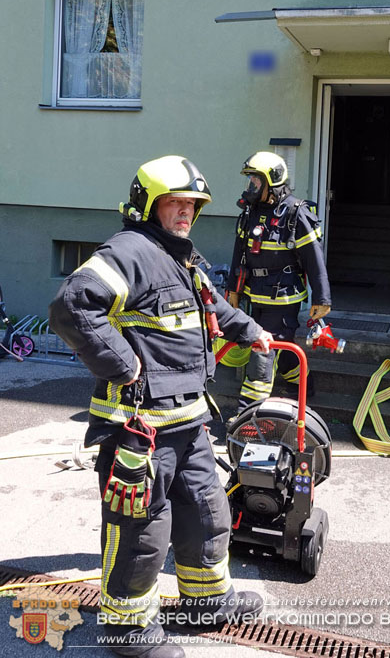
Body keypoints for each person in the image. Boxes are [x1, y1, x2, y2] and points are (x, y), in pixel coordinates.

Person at [49, 155, 272, 658]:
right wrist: (123, 364)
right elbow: (71, 305)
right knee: (143, 533)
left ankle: (207, 603)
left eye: (192, 204)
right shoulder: (130, 251)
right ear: (149, 204)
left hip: (190, 422)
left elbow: (212, 305)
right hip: (139, 430)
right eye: (175, 202)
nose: (186, 211)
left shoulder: (180, 256)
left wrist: (252, 332)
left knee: (207, 513)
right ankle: (126, 631)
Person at [227, 151, 331, 416]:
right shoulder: (250, 212)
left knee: (262, 352)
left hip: (282, 299)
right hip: (256, 296)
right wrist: (233, 291)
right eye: (250, 180)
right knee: (283, 352)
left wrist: (322, 299)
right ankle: (304, 389)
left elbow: (314, 259)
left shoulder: (296, 213)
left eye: (255, 181)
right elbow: (239, 254)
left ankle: (247, 415)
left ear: (271, 181)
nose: (251, 186)